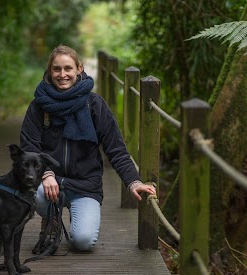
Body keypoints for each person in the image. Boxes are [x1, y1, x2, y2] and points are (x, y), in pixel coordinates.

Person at [20, 45, 156, 252]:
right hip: (50, 182)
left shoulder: (94, 104)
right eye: (57, 69)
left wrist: (133, 181)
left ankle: (76, 214)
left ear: (79, 69)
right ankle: (51, 220)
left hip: (85, 185)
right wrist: (46, 173)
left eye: (68, 68)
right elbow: (29, 147)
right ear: (49, 71)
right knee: (37, 193)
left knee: (83, 241)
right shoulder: (39, 106)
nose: (62, 74)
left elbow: (115, 148)